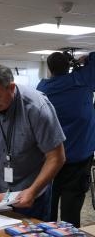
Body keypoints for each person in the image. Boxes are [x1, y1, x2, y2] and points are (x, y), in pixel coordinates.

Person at [0, 64, 66, 221]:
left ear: (11, 88)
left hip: (33, 190)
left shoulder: (37, 108)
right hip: (0, 190)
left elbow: (57, 157)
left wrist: (33, 191)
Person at [37, 52, 95, 227]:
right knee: (72, 207)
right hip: (80, 157)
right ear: (68, 66)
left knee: (48, 206)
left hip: (50, 159)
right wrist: (86, 59)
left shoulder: (42, 90)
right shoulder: (82, 80)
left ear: (49, 69)